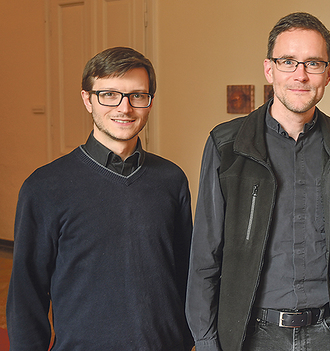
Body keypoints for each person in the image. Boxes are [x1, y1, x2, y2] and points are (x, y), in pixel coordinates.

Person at [186, 12, 330, 351]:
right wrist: (206, 339)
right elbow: (205, 253)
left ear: (328, 73)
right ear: (269, 69)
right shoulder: (227, 145)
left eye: (313, 63)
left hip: (327, 332)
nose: (300, 75)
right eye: (288, 62)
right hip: (251, 333)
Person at [7, 47, 194, 350]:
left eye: (137, 95)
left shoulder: (171, 179)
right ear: (87, 99)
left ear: (149, 102)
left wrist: (186, 341)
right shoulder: (45, 186)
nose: (125, 108)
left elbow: (185, 273)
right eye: (109, 94)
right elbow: (27, 293)